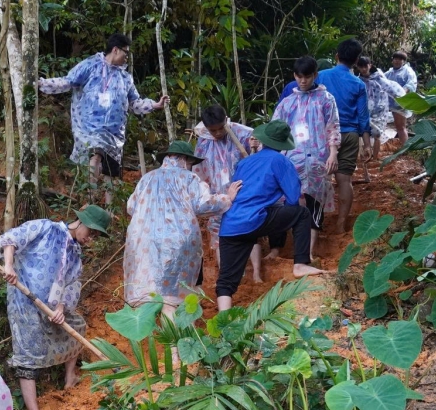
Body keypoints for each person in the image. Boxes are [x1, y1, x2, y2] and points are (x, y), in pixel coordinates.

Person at [0, 206, 109, 410]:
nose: (91, 239)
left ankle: (70, 377)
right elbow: (10, 238)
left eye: (96, 236)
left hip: (51, 309)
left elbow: (72, 283)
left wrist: (61, 308)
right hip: (24, 303)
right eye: (91, 232)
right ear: (80, 222)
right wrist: (8, 266)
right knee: (28, 354)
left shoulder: (75, 254)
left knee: (76, 327)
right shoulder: (45, 228)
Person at [38, 33, 169, 196]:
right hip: (91, 128)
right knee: (96, 155)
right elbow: (68, 81)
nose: (127, 57)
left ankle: (108, 212)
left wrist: (155, 105)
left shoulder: (125, 77)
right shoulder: (90, 65)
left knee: (111, 172)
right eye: (125, 53)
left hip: (115, 134)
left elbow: (134, 103)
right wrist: (42, 84)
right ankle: (91, 198)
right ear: (115, 50)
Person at [216, 121, 326, 311]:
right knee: (301, 213)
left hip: (230, 225)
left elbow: (238, 189)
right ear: (283, 146)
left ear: (263, 141)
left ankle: (224, 322)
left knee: (226, 281)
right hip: (255, 219)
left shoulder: (244, 162)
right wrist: (283, 220)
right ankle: (300, 263)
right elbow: (292, 197)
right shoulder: (280, 160)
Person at [125, 140, 242, 316]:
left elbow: (131, 207)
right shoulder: (190, 178)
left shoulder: (146, 178)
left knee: (148, 290)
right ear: (184, 159)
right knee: (171, 296)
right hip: (178, 240)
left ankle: (145, 341)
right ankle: (173, 341)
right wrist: (227, 198)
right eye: (190, 163)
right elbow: (202, 204)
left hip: (144, 239)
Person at [273, 55, 341, 260]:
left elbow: (333, 127)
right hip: (291, 160)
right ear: (295, 76)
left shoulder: (326, 99)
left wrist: (333, 153)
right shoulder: (287, 102)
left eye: (307, 77)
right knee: (285, 200)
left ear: (315, 75)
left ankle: (309, 252)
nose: (303, 81)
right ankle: (278, 248)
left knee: (314, 202)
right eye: (299, 77)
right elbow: (275, 129)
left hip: (318, 160)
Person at [193, 104, 263, 284]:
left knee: (250, 231)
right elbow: (199, 171)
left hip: (243, 191)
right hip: (218, 196)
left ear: (226, 120)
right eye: (213, 130)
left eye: (220, 128)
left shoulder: (243, 133)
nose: (217, 133)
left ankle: (256, 274)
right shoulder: (203, 141)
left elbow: (258, 154)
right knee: (218, 236)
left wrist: (257, 145)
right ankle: (228, 276)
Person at [317, 40, 371, 234]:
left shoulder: (320, 76)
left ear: (337, 56)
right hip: (349, 134)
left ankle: (317, 222)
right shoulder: (358, 84)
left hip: (323, 134)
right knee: (344, 180)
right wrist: (367, 144)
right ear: (356, 60)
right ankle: (341, 223)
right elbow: (363, 116)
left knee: (320, 179)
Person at [355, 55, 400, 172]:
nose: (364, 69)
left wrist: (402, 100)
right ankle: (363, 157)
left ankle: (375, 158)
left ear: (370, 65)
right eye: (361, 67)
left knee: (378, 134)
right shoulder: (358, 80)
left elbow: (391, 88)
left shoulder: (379, 77)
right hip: (365, 110)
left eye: (366, 66)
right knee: (362, 132)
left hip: (379, 110)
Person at [385, 50, 418, 144]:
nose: (397, 61)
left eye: (400, 59)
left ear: (404, 61)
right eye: (395, 59)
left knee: (400, 127)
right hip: (389, 102)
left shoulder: (408, 71)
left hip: (401, 103)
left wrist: (402, 93)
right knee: (390, 126)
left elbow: (411, 84)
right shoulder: (390, 72)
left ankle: (405, 149)